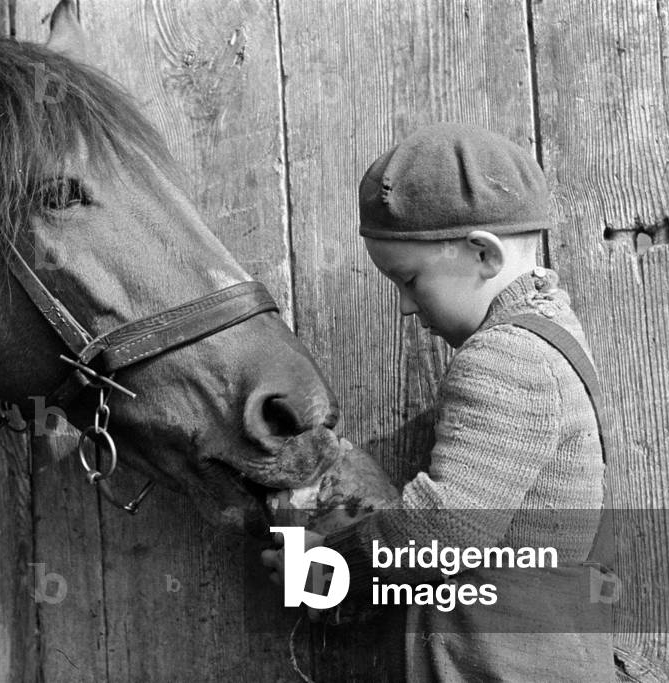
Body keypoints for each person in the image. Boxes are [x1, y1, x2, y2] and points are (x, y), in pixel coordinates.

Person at [263, 122, 615, 681]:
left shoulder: (505, 358)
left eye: (410, 280)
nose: (405, 307)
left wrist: (333, 559)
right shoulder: (551, 333)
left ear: (483, 254)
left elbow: (446, 528)